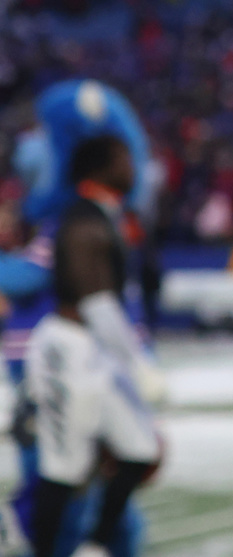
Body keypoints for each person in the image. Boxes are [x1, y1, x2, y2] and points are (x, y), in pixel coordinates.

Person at [23, 136, 163, 557]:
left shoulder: (105, 216)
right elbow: (97, 302)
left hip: (96, 352)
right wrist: (139, 366)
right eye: (123, 159)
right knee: (62, 470)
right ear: (98, 168)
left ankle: (95, 546)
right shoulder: (84, 221)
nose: (132, 167)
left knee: (140, 449)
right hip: (68, 352)